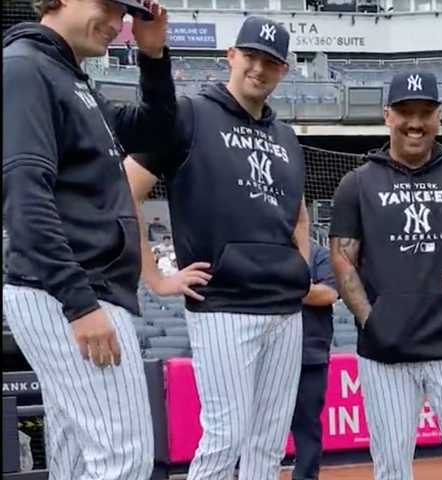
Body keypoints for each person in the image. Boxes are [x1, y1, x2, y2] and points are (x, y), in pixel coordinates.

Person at [123, 16, 311, 480]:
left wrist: (302, 268)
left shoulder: (286, 138)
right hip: (223, 304)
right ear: (231, 56)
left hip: (284, 310)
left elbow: (300, 215)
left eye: (271, 62)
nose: (259, 70)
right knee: (225, 436)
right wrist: (156, 277)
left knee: (268, 443)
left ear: (283, 71)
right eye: (251, 57)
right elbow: (124, 190)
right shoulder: (189, 113)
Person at [2, 0, 174, 478]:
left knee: (78, 457)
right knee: (124, 458)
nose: (119, 22)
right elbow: (24, 196)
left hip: (71, 287)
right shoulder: (25, 68)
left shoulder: (73, 79)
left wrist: (154, 57)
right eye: (108, 5)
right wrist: (79, 304)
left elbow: (159, 130)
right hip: (68, 288)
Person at [329, 71, 442, 480]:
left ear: (439, 116)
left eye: (425, 112)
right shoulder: (356, 183)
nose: (415, 122)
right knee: (392, 466)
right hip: (384, 354)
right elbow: (343, 259)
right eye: (405, 112)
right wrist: (371, 321)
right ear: (387, 116)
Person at [290, 240, 338, 480]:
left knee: (307, 426)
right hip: (264, 351)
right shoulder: (264, 247)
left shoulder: (319, 253)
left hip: (309, 353)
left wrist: (281, 287)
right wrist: (302, 289)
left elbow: (328, 293)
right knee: (256, 427)